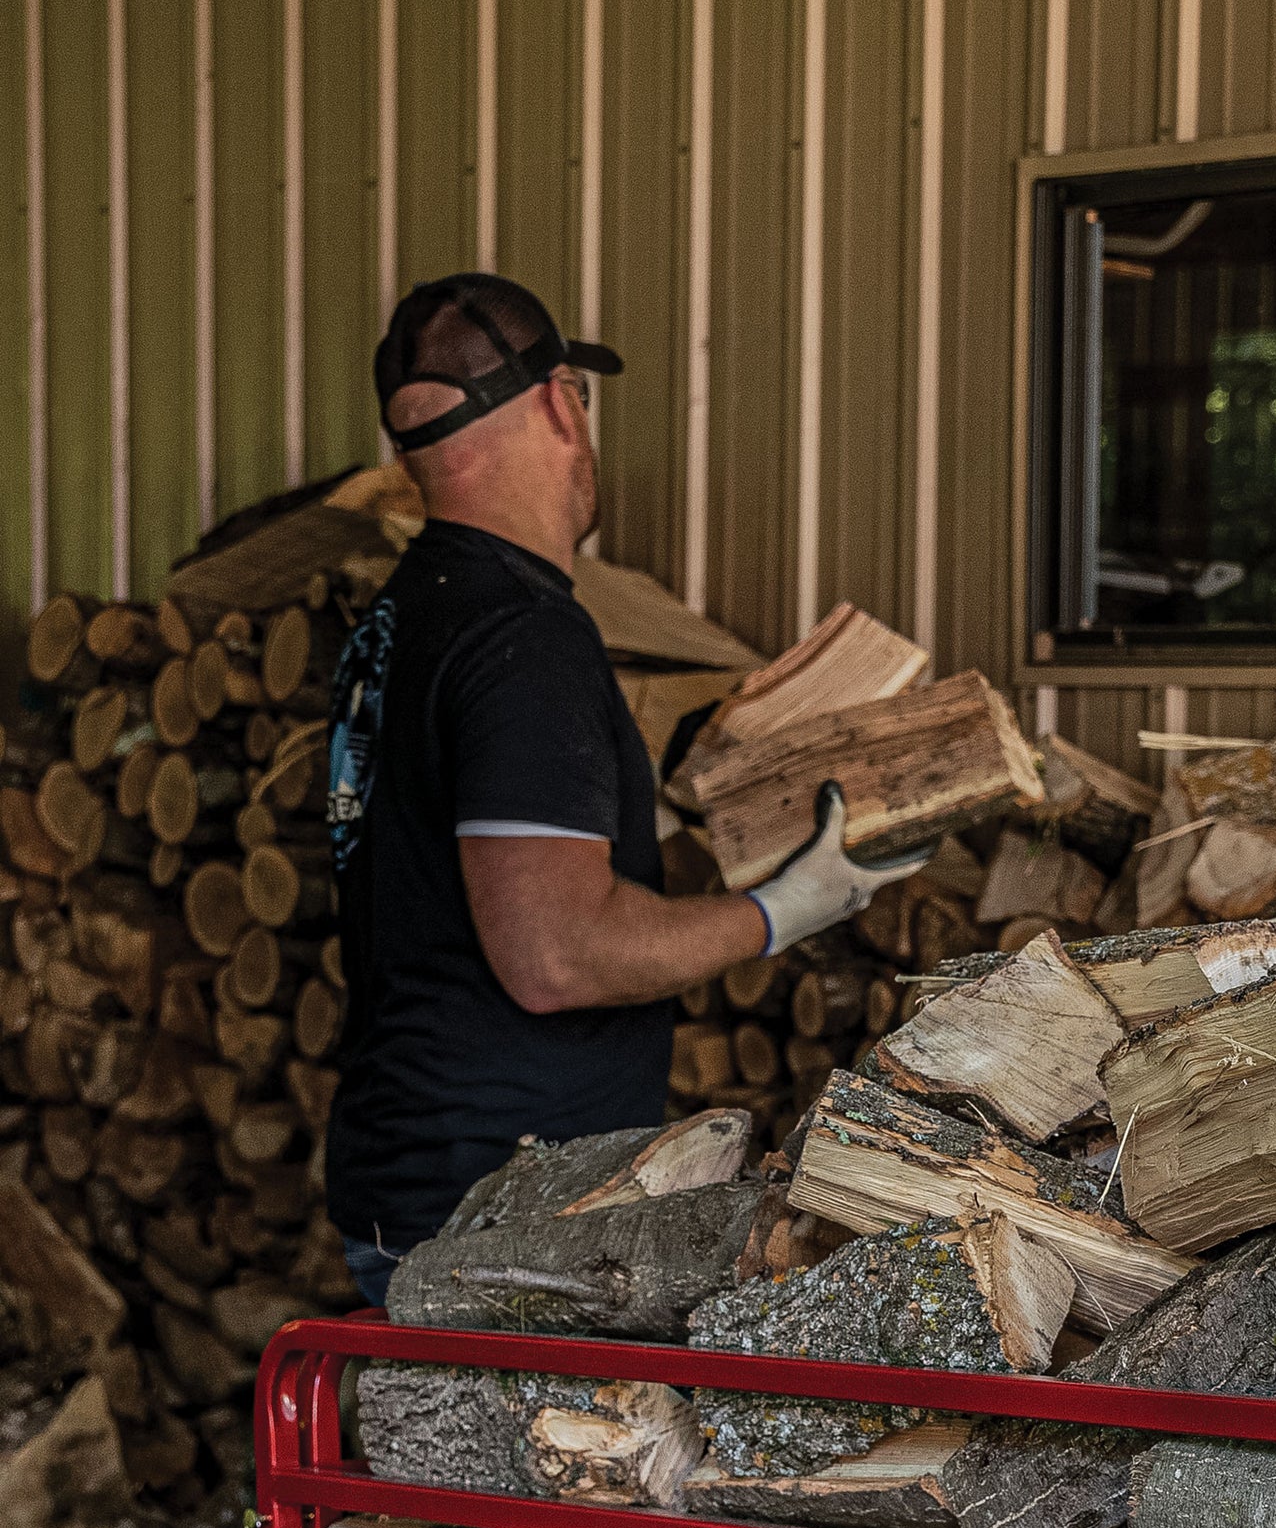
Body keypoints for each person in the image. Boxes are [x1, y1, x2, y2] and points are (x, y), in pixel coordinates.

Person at [324, 272, 918, 1305]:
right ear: (561, 400)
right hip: (509, 1211)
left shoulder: (405, 617)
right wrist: (787, 910)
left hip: (422, 1175)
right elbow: (557, 955)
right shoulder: (521, 639)